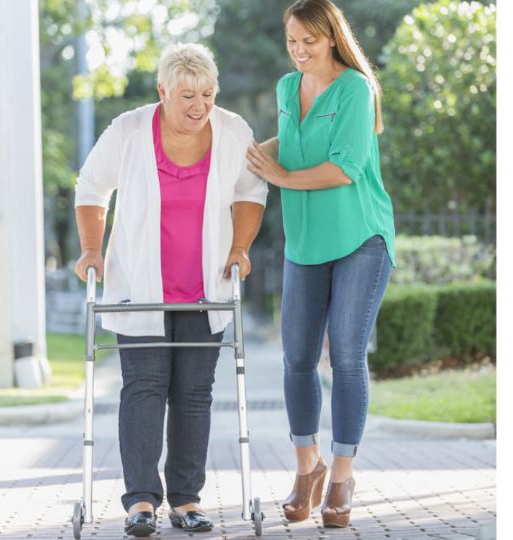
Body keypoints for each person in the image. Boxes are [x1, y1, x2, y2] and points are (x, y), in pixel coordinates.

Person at [74, 42, 267, 537]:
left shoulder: (232, 131)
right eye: (186, 95)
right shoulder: (130, 130)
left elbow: (250, 192)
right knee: (144, 389)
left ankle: (186, 499)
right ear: (163, 91)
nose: (198, 104)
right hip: (141, 286)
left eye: (206, 92)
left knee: (194, 394)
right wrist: (92, 250)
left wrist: (240, 247)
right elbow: (92, 187)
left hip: (205, 288)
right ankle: (140, 501)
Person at [246, 0, 395, 529]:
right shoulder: (289, 89)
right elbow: (282, 146)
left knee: (347, 356)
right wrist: (236, 156)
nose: (299, 50)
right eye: (292, 41)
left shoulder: (356, 88)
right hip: (304, 243)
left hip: (360, 237)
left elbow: (344, 168)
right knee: (296, 359)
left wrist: (279, 177)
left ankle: (340, 477)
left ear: (330, 37)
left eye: (308, 41)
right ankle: (306, 470)